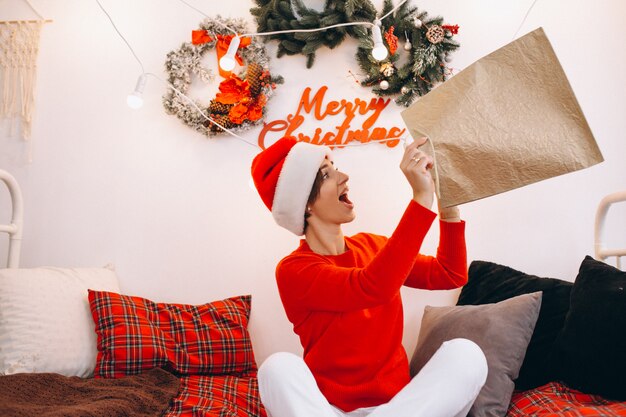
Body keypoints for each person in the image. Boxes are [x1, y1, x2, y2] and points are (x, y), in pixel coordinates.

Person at [250, 136, 488, 417]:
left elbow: (450, 273)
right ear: (305, 204)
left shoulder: (373, 247)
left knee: (466, 354)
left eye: (335, 166)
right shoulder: (294, 270)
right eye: (327, 174)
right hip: (329, 410)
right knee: (277, 367)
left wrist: (449, 208)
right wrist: (421, 199)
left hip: (398, 408)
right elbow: (372, 287)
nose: (344, 176)